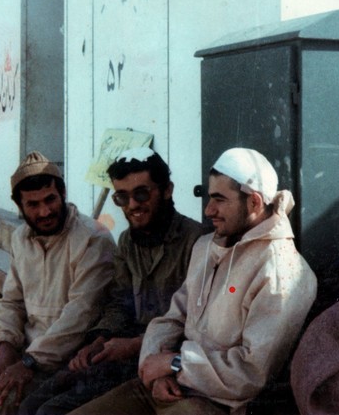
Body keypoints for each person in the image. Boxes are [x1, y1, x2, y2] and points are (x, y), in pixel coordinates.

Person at [69, 147, 318, 415]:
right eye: (209, 197)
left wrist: (176, 365)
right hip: (169, 384)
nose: (209, 210)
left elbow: (251, 373)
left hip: (217, 403)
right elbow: (170, 319)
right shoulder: (207, 247)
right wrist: (156, 370)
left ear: (255, 203)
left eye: (220, 199)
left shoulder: (282, 272)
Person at [18, 147, 208, 415]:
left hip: (165, 361)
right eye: (122, 197)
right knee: (31, 405)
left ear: (167, 190)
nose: (132, 205)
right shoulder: (128, 241)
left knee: (51, 411)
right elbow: (119, 302)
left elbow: (199, 327)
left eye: (141, 194)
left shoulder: (197, 242)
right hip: (122, 355)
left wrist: (133, 345)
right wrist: (99, 340)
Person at [0, 151, 116, 415]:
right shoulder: (21, 238)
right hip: (25, 349)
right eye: (33, 204)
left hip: (70, 357)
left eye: (50, 199)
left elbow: (81, 315)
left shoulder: (93, 238)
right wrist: (5, 344)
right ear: (20, 205)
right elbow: (12, 301)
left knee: (7, 401)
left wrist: (28, 362)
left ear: (63, 194)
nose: (45, 211)